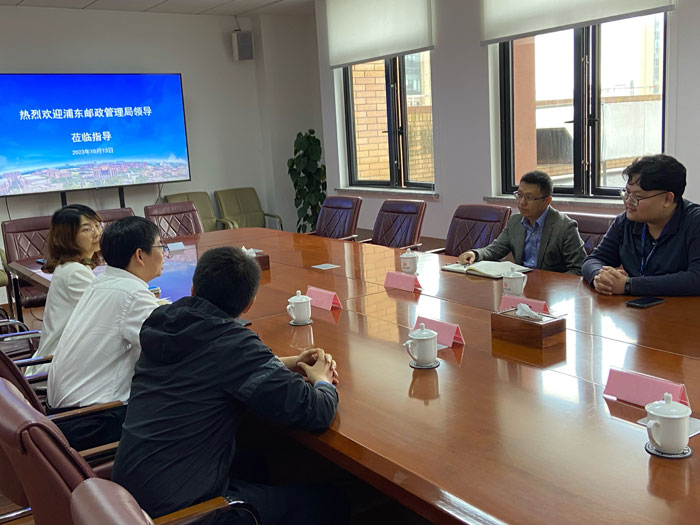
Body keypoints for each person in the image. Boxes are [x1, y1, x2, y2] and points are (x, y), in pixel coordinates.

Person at [112, 246, 339, 524]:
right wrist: (323, 380)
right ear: (249, 304)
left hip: (130, 499)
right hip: (183, 514)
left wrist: (289, 362)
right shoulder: (233, 345)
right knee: (328, 501)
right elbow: (314, 411)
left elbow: (210, 366)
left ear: (193, 288)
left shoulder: (163, 324)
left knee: (257, 461)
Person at [47, 216, 165, 450]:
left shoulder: (103, 283)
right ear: (140, 255)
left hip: (64, 416)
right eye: (161, 247)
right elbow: (169, 347)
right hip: (93, 421)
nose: (164, 254)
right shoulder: (132, 294)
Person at [582, 154, 700, 296]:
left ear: (668, 199)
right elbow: (594, 260)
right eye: (627, 193)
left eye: (637, 197)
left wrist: (629, 285)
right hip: (636, 307)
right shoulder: (625, 222)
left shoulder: (695, 222)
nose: (628, 202)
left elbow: (696, 278)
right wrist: (600, 277)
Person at [458, 170, 586, 275]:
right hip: (521, 284)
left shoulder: (565, 227)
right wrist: (475, 254)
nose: (521, 202)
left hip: (551, 291)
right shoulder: (515, 221)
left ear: (547, 201)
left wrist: (548, 284)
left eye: (529, 198)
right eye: (519, 195)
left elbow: (578, 268)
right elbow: (495, 250)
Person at [25, 205, 102, 375]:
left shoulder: (74, 267)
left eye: (98, 225)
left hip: (63, 357)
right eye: (87, 229)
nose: (97, 233)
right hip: (59, 365)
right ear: (68, 237)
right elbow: (106, 314)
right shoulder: (74, 272)